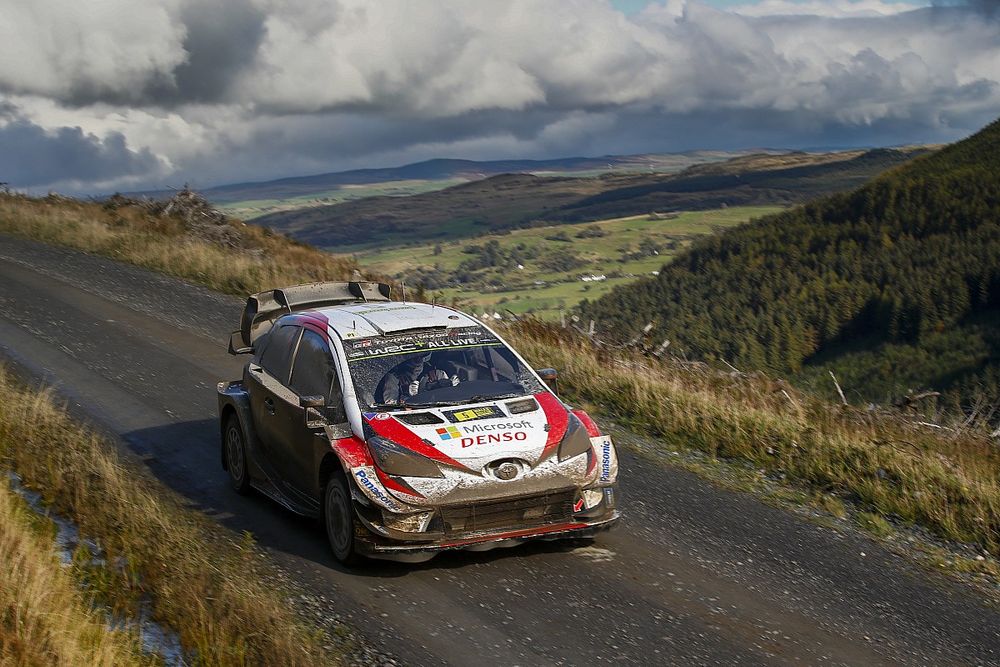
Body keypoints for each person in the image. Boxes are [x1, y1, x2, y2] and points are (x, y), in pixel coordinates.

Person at [378, 352, 459, 404]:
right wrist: (408, 400)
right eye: (415, 357)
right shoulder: (394, 378)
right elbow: (391, 405)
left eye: (421, 356)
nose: (418, 360)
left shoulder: (436, 374)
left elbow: (449, 396)